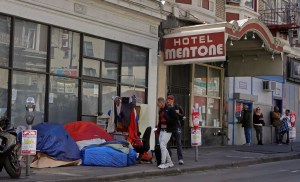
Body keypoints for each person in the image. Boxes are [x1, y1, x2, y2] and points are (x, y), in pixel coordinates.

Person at [156, 97, 177, 169]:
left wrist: (166, 116)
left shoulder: (170, 109)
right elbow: (159, 121)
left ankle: (163, 163)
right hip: (162, 130)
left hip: (168, 130)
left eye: (158, 103)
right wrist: (158, 131)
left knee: (162, 145)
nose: (157, 105)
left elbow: (174, 121)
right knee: (163, 146)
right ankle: (170, 162)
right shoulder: (160, 111)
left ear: (162, 102)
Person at [167, 95, 184, 165]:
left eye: (170, 99)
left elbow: (183, 115)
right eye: (168, 99)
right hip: (169, 127)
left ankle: (180, 159)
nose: (168, 101)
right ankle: (169, 158)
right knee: (168, 143)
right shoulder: (167, 107)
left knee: (178, 143)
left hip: (177, 127)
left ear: (173, 100)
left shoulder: (177, 106)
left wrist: (178, 113)